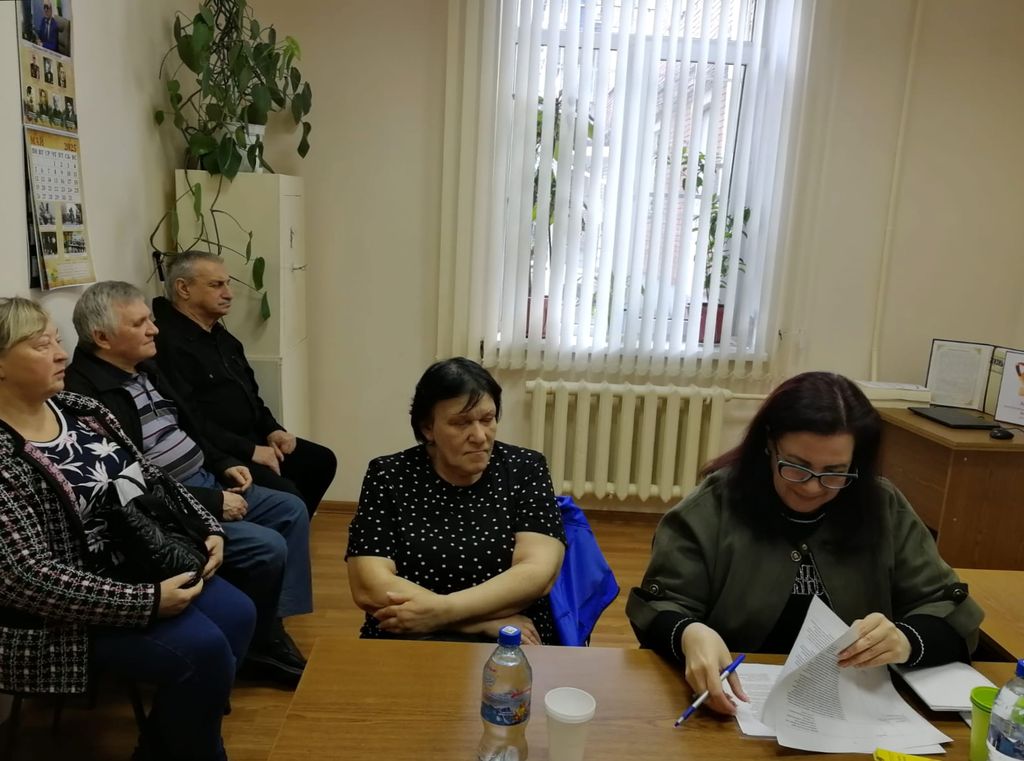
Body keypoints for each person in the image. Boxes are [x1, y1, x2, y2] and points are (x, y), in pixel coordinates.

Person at [626, 371, 984, 716]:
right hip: (734, 704)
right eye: (796, 466)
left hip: (856, 707)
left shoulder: (883, 508)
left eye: (835, 472)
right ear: (769, 445)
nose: (812, 487)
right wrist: (688, 633)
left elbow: (949, 611)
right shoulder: (713, 506)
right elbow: (660, 606)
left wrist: (906, 640)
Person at [0, 296, 256, 761]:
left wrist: (206, 525)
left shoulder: (78, 409)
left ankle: (163, 745)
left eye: (57, 340)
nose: (61, 353)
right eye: (41, 345)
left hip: (141, 561)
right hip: (65, 615)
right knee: (202, 652)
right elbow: (23, 576)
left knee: (239, 614)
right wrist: (145, 601)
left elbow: (150, 476)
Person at [66, 281, 312, 687]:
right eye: (140, 323)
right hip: (169, 510)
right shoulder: (86, 397)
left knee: (290, 508)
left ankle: (270, 628)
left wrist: (224, 462)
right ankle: (258, 644)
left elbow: (191, 426)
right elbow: (128, 487)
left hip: (204, 479)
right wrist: (211, 503)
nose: (154, 329)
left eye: (150, 319)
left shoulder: (145, 367)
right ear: (103, 338)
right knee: (267, 546)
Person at [346, 357, 566, 644]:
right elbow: (369, 586)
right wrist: (478, 624)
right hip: (413, 635)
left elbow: (537, 573)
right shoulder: (388, 475)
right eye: (461, 423)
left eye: (487, 419)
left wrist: (441, 613)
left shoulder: (526, 468)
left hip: (510, 642)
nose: (479, 436)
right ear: (428, 428)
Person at [152, 252, 337, 518]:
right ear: (183, 288)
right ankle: (279, 532)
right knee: (288, 497)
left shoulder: (222, 337)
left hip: (251, 439)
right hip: (217, 452)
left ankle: (291, 532)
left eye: (227, 284)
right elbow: (189, 419)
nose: (228, 294)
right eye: (216, 285)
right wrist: (250, 451)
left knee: (320, 461)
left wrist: (273, 429)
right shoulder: (166, 344)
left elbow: (251, 396)